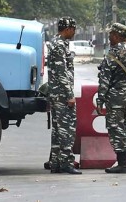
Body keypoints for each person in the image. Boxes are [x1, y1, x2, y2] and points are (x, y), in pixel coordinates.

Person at [95, 23, 126, 174]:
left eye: (110, 35)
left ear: (116, 35)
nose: (109, 38)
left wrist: (100, 100)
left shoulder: (112, 54)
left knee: (116, 130)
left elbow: (104, 80)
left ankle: (122, 164)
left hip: (116, 98)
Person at [46, 17, 81, 174]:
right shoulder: (59, 46)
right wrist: (69, 95)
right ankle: (67, 162)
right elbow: (61, 73)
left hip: (56, 93)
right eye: (73, 29)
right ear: (67, 29)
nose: (74, 32)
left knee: (58, 130)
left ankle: (56, 163)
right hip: (61, 94)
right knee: (67, 129)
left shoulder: (56, 43)